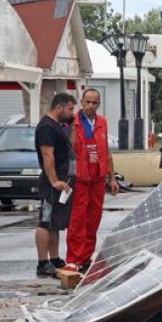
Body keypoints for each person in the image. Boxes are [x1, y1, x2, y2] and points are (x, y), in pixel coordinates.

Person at [65, 89, 118, 273]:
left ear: (99, 104)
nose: (90, 106)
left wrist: (112, 178)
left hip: (98, 177)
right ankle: (73, 259)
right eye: (87, 102)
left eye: (94, 103)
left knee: (94, 218)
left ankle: (86, 256)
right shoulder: (74, 123)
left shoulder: (102, 122)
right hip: (80, 177)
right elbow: (68, 148)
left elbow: (106, 151)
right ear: (82, 102)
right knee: (78, 219)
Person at [34, 92, 77, 278]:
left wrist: (72, 127)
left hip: (62, 178)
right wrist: (54, 181)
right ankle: (42, 262)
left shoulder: (59, 126)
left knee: (55, 222)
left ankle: (55, 258)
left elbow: (70, 147)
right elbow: (47, 155)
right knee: (45, 221)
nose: (71, 112)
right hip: (53, 180)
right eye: (69, 108)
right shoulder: (46, 127)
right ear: (59, 107)